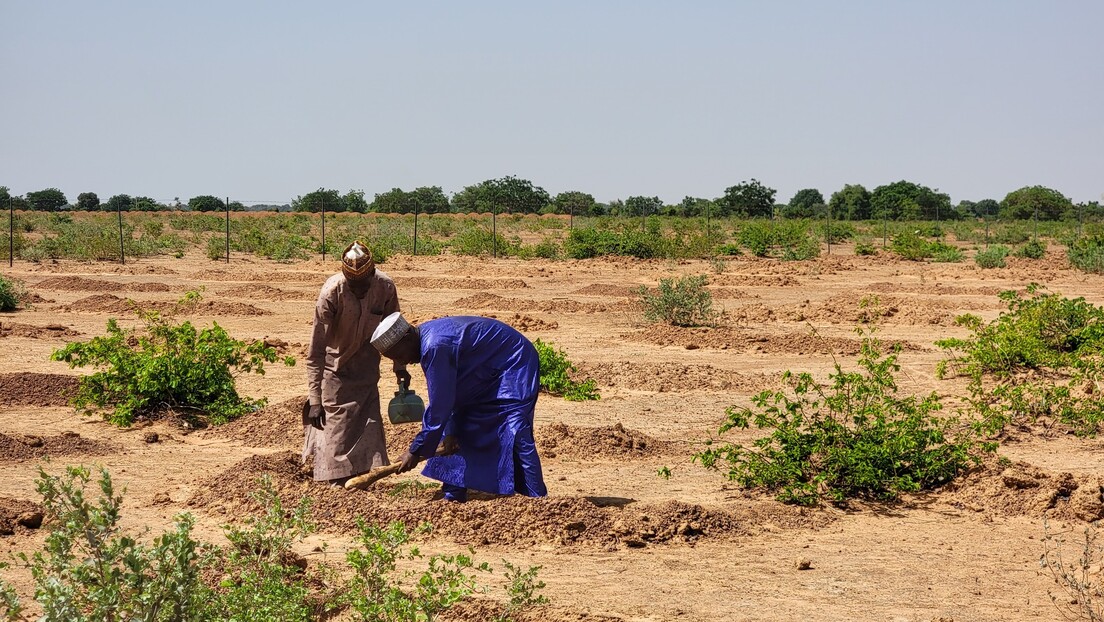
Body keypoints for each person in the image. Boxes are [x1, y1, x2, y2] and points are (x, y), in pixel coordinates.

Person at [369, 313, 547, 502]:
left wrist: (415, 450)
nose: (402, 361)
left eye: (398, 355)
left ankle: (537, 500)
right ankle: (453, 493)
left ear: (407, 337)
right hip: (483, 370)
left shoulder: (434, 346)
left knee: (515, 427)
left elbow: (440, 407)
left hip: (513, 362)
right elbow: (448, 398)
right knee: (456, 428)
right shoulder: (427, 341)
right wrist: (450, 429)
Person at [303, 241, 410, 485]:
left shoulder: (385, 287)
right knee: (335, 432)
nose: (359, 291)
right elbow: (315, 350)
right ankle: (334, 485)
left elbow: (395, 333)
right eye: (353, 286)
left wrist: (400, 367)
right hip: (335, 370)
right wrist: (315, 400)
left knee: (368, 428)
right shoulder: (331, 293)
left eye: (363, 285)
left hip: (367, 370)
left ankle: (362, 481)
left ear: (372, 274)